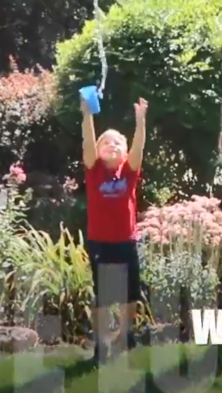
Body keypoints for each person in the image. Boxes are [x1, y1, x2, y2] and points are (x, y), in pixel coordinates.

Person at [81, 95, 148, 364]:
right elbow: (88, 142)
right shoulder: (94, 169)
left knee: (130, 295)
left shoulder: (128, 171)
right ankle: (101, 343)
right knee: (103, 296)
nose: (111, 145)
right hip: (100, 242)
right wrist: (87, 116)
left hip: (126, 240)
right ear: (98, 151)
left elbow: (138, 149)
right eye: (105, 142)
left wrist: (140, 123)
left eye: (117, 142)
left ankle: (126, 335)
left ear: (124, 150)